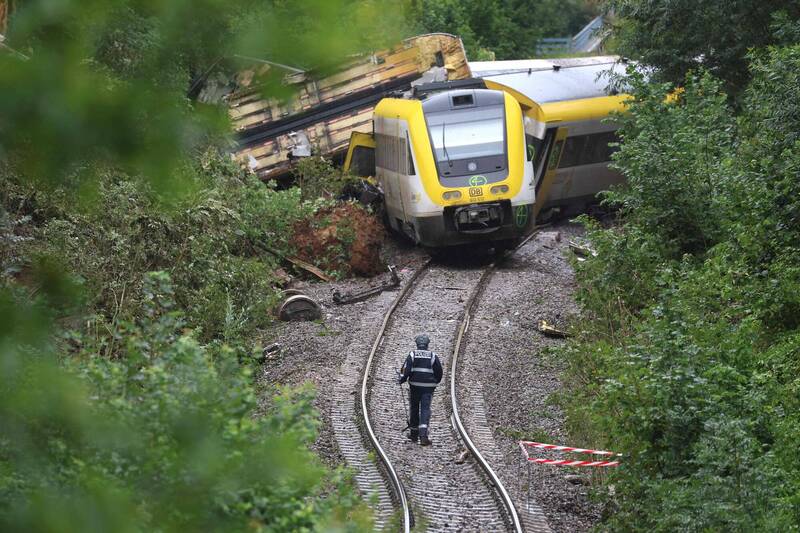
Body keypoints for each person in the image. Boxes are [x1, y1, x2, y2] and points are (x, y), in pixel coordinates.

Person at [397, 334, 443, 446]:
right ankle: (423, 437)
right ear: (427, 345)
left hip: (415, 386)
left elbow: (405, 370)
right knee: (425, 409)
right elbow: (439, 372)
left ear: (417, 344)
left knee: (414, 407)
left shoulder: (413, 354)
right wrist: (434, 382)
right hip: (428, 388)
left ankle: (413, 434)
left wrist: (401, 379)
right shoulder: (432, 356)